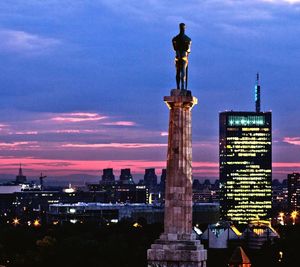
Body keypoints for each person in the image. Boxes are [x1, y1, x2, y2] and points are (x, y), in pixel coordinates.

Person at [172, 23, 192, 90]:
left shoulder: (174, 39)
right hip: (184, 57)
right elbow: (188, 50)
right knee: (183, 71)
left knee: (177, 72)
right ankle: (182, 87)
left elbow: (174, 48)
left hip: (177, 57)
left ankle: (178, 87)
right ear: (185, 28)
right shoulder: (188, 39)